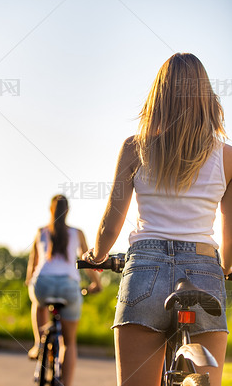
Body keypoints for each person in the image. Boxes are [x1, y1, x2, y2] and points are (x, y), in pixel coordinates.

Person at [82, 53, 232, 386]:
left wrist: (97, 255)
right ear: (206, 97)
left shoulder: (135, 148)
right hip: (204, 273)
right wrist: (227, 266)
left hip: (145, 273)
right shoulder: (227, 156)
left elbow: (111, 223)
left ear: (158, 98)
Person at [26, 194, 101, 386]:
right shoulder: (77, 233)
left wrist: (30, 282)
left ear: (50, 210)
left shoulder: (41, 231)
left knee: (38, 303)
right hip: (69, 287)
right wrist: (96, 284)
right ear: (67, 211)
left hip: (42, 283)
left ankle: (37, 344)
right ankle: (66, 383)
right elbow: (88, 262)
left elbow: (33, 264)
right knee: (69, 343)